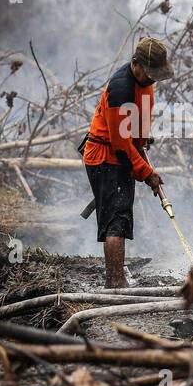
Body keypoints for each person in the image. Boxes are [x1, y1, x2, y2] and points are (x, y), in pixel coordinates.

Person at [81, 37, 172, 287]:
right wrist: (146, 173)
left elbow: (136, 130)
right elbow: (121, 146)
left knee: (119, 217)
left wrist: (143, 143)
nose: (153, 79)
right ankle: (115, 283)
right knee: (116, 222)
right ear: (135, 64)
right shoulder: (120, 89)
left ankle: (116, 276)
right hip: (105, 158)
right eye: (150, 73)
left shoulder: (145, 82)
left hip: (120, 154)